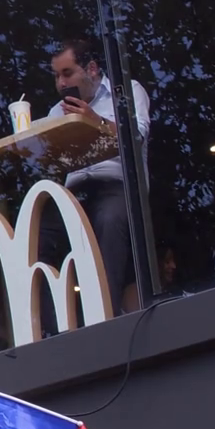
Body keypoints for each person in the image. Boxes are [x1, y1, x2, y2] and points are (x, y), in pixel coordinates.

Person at [44, 37, 150, 315]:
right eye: (56, 76)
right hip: (74, 192)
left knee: (109, 220)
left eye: (67, 73)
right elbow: (48, 157)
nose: (61, 83)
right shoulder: (56, 112)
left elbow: (136, 134)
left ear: (91, 68)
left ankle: (105, 316)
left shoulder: (126, 91)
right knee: (37, 237)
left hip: (116, 185)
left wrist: (95, 121)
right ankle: (48, 326)